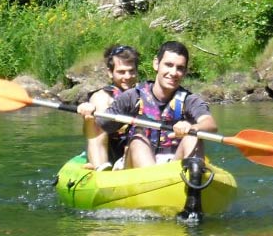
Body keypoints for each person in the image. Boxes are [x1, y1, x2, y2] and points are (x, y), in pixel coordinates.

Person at [93, 40, 217, 169]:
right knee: (138, 141)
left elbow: (210, 124)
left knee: (192, 137)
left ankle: (194, 181)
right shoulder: (132, 96)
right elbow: (102, 124)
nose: (173, 73)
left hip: (172, 163)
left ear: (185, 72)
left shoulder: (189, 100)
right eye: (168, 65)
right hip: (136, 165)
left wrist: (192, 128)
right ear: (156, 64)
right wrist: (90, 112)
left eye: (180, 68)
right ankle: (151, 184)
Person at [76, 45, 139, 170]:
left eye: (131, 71)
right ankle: (101, 167)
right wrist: (88, 113)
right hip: (109, 152)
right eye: (121, 72)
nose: (127, 76)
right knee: (99, 124)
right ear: (110, 73)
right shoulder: (102, 97)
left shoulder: (144, 94)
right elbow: (95, 129)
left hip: (133, 150)